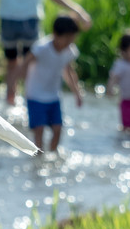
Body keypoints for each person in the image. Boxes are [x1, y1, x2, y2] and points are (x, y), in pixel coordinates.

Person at [23, 16, 84, 154]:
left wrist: (77, 93)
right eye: (67, 39)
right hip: (35, 95)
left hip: (53, 96)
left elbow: (68, 71)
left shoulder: (69, 50)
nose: (69, 42)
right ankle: (38, 157)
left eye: (72, 39)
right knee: (39, 130)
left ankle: (52, 156)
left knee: (58, 129)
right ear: (56, 34)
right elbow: (25, 62)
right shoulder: (42, 48)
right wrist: (18, 81)